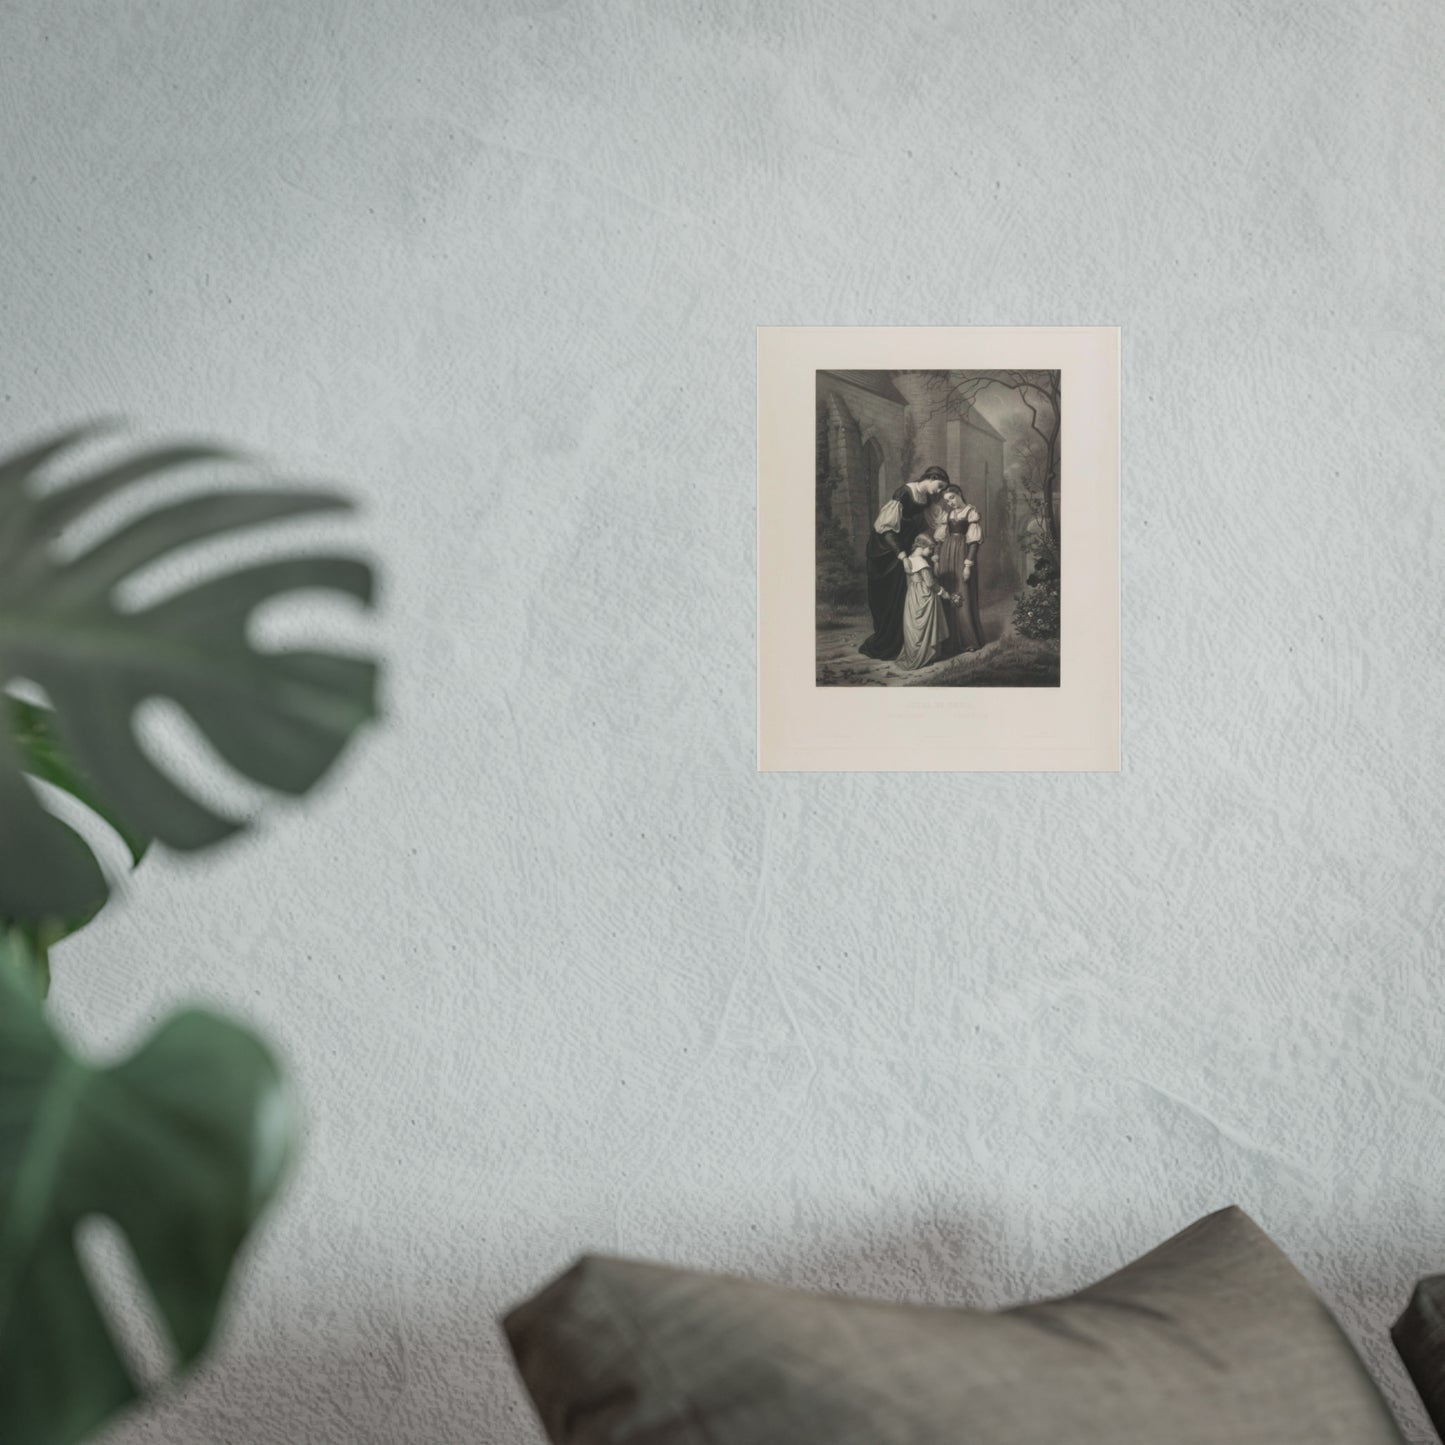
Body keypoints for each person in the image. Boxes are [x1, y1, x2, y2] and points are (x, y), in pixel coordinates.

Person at [859, 465, 949, 660]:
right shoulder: (904, 493)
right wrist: (901, 555)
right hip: (885, 551)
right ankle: (885, 642)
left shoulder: (926, 501)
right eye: (940, 486)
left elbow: (934, 523)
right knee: (885, 597)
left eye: (943, 489)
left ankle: (900, 643)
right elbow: (887, 530)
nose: (940, 491)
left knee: (901, 596)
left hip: (904, 551)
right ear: (931, 478)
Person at [930, 484, 985, 653]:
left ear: (959, 493)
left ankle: (968, 640)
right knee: (947, 593)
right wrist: (937, 561)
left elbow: (974, 544)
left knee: (963, 595)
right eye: (947, 500)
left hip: (962, 555)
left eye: (952, 497)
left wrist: (968, 565)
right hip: (947, 556)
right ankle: (950, 641)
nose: (950, 503)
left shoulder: (971, 513)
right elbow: (939, 541)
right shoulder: (947, 515)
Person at [897, 534, 958, 671]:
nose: (931, 553)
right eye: (930, 549)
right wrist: (943, 593)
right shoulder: (921, 562)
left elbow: (910, 581)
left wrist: (913, 592)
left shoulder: (909, 559)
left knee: (913, 626)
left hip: (912, 596)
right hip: (924, 596)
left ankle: (915, 654)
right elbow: (930, 583)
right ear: (922, 547)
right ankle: (926, 656)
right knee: (925, 628)